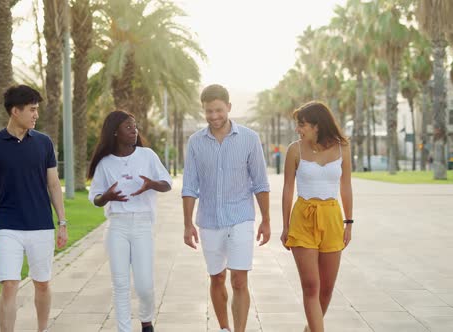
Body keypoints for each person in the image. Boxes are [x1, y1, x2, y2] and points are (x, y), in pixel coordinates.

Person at [182, 84, 271, 332]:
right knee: (217, 277)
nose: (214, 116)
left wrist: (266, 220)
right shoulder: (195, 142)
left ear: (229, 108)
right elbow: (189, 186)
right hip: (209, 220)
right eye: (209, 111)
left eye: (218, 110)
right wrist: (188, 224)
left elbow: (261, 183)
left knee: (239, 279)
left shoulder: (250, 139)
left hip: (241, 217)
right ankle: (224, 328)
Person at [0, 85, 68, 332]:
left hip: (41, 225)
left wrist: (62, 222)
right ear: (15, 111)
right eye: (32, 110)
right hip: (8, 226)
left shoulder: (44, 143)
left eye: (37, 109)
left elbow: (53, 184)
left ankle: (41, 329)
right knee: (9, 284)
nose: (36, 115)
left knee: (42, 283)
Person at [88, 110, 172, 332]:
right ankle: (124, 329)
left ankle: (146, 320)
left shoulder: (147, 155)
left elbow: (167, 183)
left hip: (143, 225)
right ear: (115, 132)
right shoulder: (105, 163)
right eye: (128, 127)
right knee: (121, 284)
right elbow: (95, 197)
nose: (134, 131)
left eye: (135, 126)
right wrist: (106, 197)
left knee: (145, 285)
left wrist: (151, 184)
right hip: (117, 226)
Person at [280, 101, 353, 332]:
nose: (298, 129)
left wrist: (348, 223)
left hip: (332, 218)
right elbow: (287, 189)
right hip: (303, 218)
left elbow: (346, 187)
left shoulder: (343, 148)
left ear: (317, 125)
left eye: (302, 125)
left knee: (327, 289)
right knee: (311, 287)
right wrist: (285, 226)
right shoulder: (295, 150)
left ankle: (310, 329)